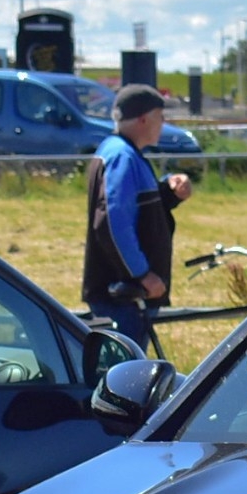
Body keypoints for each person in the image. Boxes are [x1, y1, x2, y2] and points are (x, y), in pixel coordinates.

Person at [82, 84, 192, 350]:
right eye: (160, 116)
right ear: (144, 119)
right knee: (125, 380)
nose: (163, 124)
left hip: (128, 297)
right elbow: (112, 221)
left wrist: (168, 191)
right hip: (122, 298)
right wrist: (142, 275)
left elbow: (139, 209)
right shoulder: (122, 156)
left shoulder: (124, 152)